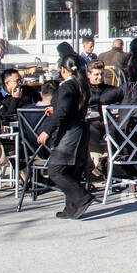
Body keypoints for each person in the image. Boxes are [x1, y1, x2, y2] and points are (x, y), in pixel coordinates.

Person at [36, 56, 93, 219]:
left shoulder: (67, 87)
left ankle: (82, 197)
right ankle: (72, 208)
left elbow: (63, 113)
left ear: (62, 70)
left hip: (70, 134)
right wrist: (56, 108)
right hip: (80, 129)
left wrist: (47, 130)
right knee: (71, 171)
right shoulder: (80, 84)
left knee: (55, 171)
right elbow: (69, 108)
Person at [85, 60, 125, 180]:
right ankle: (103, 165)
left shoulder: (111, 90)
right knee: (89, 131)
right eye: (96, 75)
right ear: (88, 75)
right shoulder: (83, 90)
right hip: (91, 126)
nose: (100, 77)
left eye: (101, 74)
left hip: (110, 126)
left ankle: (103, 165)